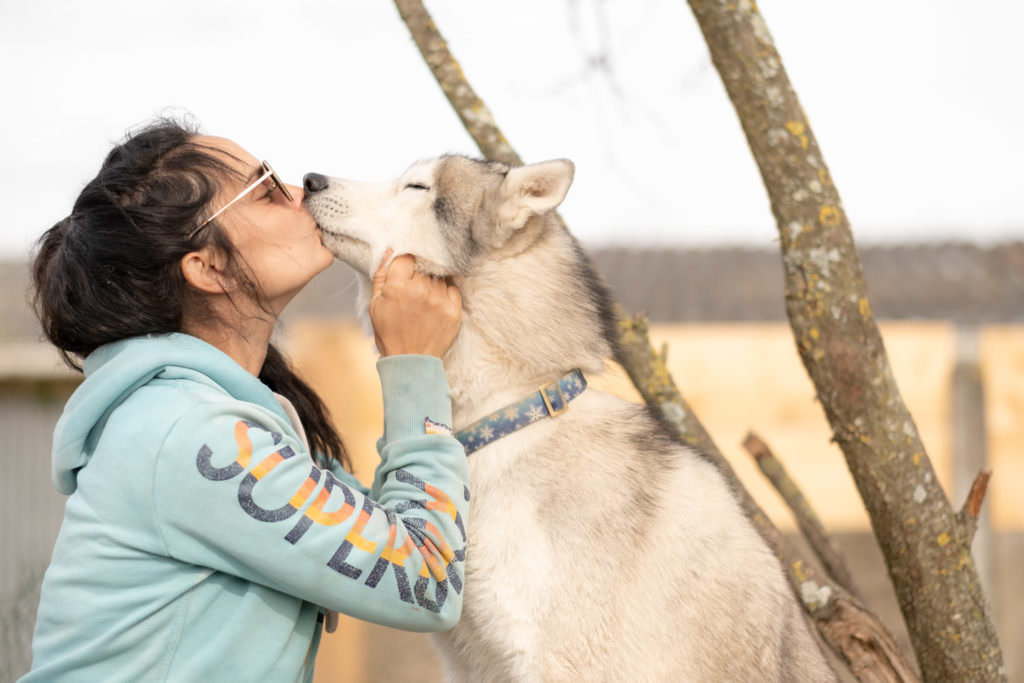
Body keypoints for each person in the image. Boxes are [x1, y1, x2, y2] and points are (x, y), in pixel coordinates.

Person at [22, 118, 468, 682]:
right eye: (267, 191)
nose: (303, 192)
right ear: (207, 267)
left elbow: (410, 527)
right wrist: (413, 369)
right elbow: (425, 577)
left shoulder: (236, 415)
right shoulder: (191, 434)